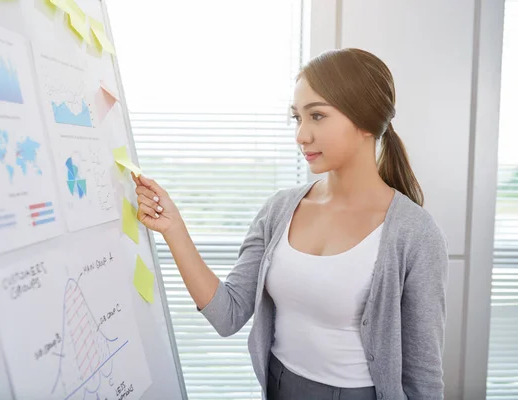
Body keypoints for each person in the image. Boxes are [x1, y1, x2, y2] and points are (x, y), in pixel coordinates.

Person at [131, 48, 448, 400]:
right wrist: (174, 229)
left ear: (365, 121)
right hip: (279, 385)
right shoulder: (279, 209)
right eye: (297, 117)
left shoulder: (415, 233)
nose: (301, 135)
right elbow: (228, 314)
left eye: (317, 116)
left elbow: (423, 375)